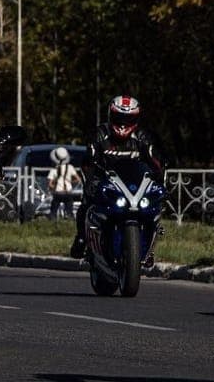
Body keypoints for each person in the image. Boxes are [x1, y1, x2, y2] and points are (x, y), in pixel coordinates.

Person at [69, 95, 164, 259]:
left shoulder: (143, 137)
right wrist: (91, 178)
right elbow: (88, 160)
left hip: (135, 185)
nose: (123, 123)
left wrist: (161, 183)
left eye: (128, 119)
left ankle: (149, 247)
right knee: (87, 201)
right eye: (119, 118)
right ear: (111, 115)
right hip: (107, 182)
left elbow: (157, 163)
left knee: (154, 208)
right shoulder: (99, 134)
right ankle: (82, 237)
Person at [47, 146, 80, 219]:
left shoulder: (54, 169)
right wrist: (70, 182)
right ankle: (69, 219)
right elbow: (78, 179)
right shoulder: (70, 167)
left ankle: (53, 220)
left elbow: (50, 184)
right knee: (69, 209)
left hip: (58, 192)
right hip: (68, 192)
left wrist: (54, 187)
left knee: (54, 208)